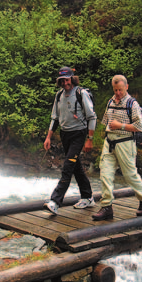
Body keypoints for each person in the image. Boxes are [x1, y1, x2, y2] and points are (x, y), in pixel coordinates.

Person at [92, 75, 142, 221]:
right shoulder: (110, 102)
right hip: (110, 142)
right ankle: (106, 206)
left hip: (125, 142)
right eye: (115, 90)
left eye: (120, 89)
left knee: (129, 175)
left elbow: (140, 127)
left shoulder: (132, 104)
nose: (118, 93)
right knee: (105, 173)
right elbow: (106, 121)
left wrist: (121, 126)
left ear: (126, 87)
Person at [43, 67, 97, 215]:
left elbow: (92, 117)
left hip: (79, 134)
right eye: (62, 80)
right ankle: (88, 197)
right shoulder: (59, 95)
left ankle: (55, 201)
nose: (65, 83)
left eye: (67, 79)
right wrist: (48, 137)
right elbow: (54, 118)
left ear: (72, 78)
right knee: (75, 167)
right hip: (65, 134)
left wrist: (90, 139)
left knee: (68, 167)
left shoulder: (81, 94)